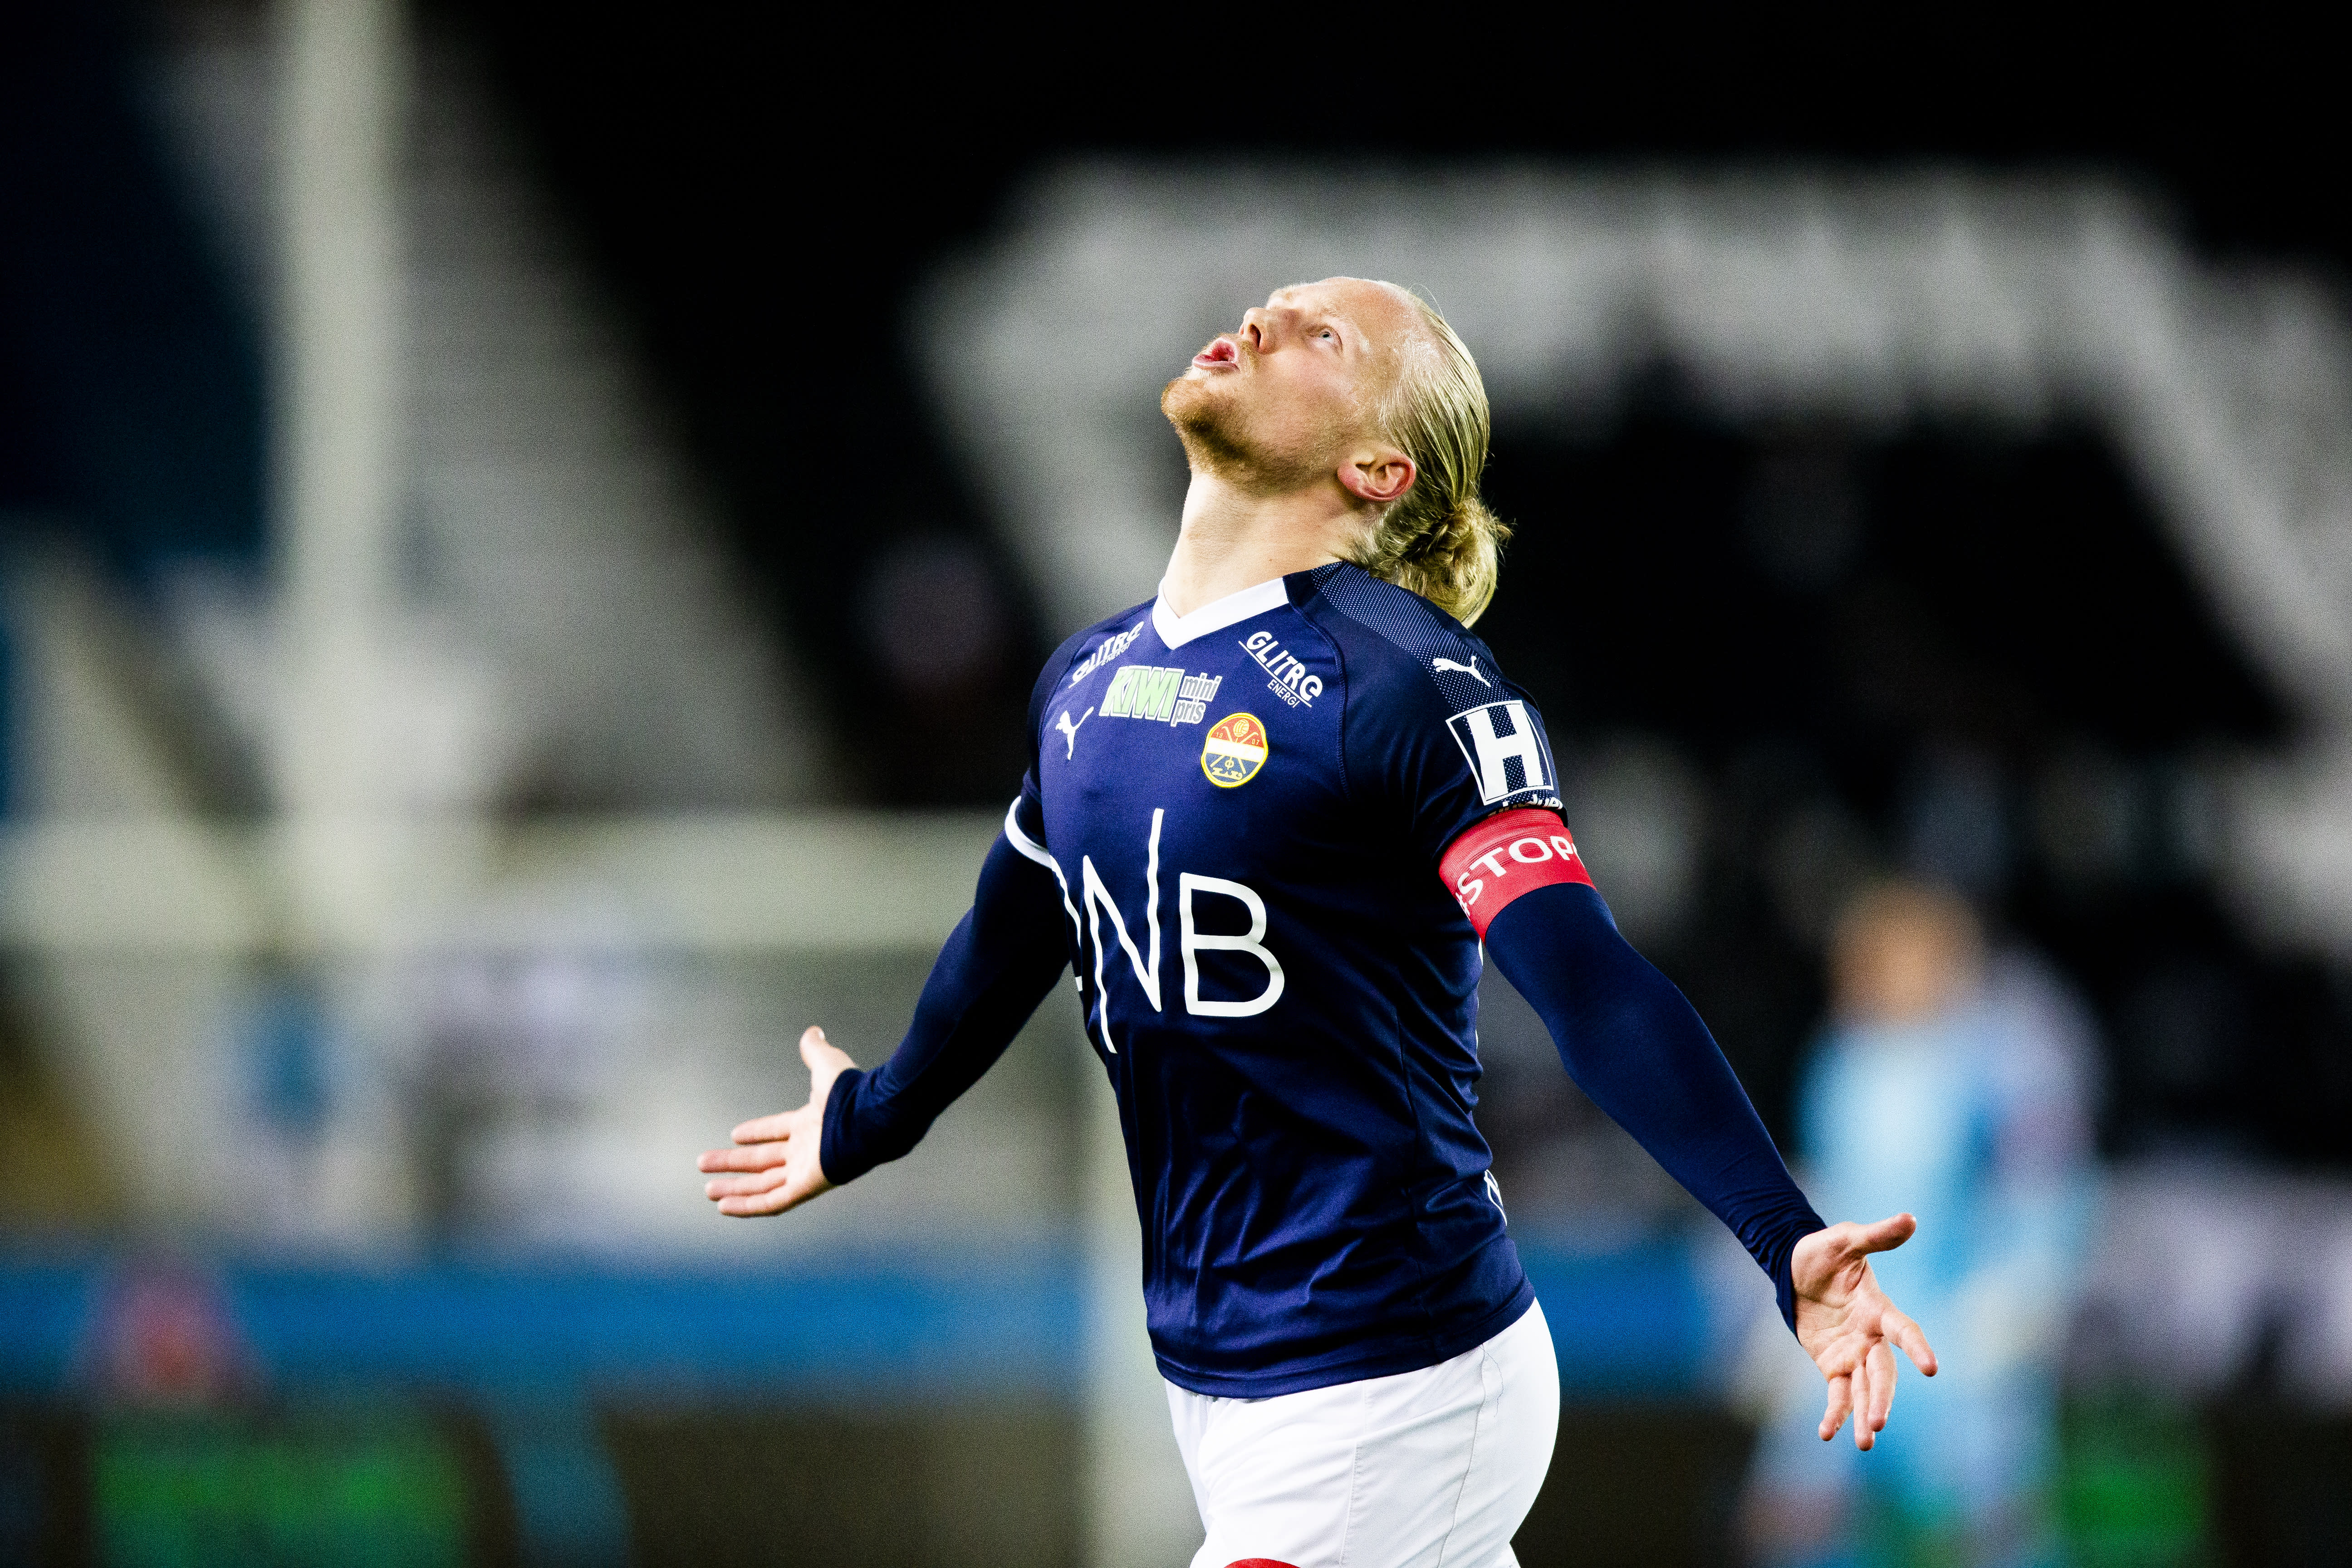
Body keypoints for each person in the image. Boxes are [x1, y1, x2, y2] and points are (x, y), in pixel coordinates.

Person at [699, 278, 1937, 1568]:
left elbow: (1588, 981)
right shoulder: (1089, 677)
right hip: (1221, 1378)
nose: (1264, 323)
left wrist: (1781, 1233)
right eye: (1275, 307)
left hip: (1394, 1377)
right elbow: (1014, 926)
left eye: (1323, 336)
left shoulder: (1408, 689)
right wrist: (874, 1116)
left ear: (1376, 468)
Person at [1743, 881, 2097, 1568]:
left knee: (1984, 1521)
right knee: (1796, 1513)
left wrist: (2021, 1295)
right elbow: (1818, 1196)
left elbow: (2048, 1189)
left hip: (1958, 1332)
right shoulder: (1838, 1067)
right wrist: (1781, 1299)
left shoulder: (2003, 1065)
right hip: (1849, 1325)